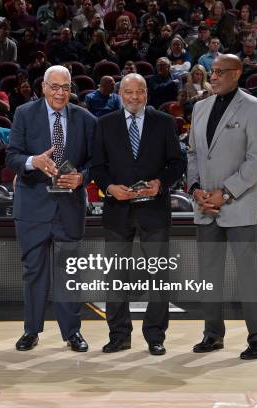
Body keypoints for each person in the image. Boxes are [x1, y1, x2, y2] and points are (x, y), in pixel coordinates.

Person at [91, 73, 185, 356]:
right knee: (115, 276)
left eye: (139, 92)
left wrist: (161, 183)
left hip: (154, 211)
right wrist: (109, 188)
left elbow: (177, 163)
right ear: (120, 94)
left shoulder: (164, 122)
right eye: (128, 92)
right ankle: (119, 335)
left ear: (147, 94)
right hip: (118, 211)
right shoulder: (104, 124)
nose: (134, 97)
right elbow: (97, 166)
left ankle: (155, 335)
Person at [187, 54, 257, 360]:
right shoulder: (199, 107)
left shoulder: (256, 108)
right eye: (212, 72)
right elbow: (194, 155)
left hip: (237, 205)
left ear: (237, 73)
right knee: (208, 276)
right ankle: (212, 334)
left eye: (221, 72)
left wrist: (226, 192)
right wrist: (196, 190)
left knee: (247, 275)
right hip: (205, 207)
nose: (214, 76)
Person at [6, 65, 96, 352]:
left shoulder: (86, 119)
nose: (60, 93)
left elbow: (97, 162)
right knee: (34, 271)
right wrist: (34, 161)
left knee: (71, 272)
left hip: (69, 206)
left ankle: (72, 332)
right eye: (54, 87)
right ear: (43, 87)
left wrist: (82, 176)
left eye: (65, 87)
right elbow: (12, 157)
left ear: (71, 89)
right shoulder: (24, 114)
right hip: (33, 205)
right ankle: (31, 331)